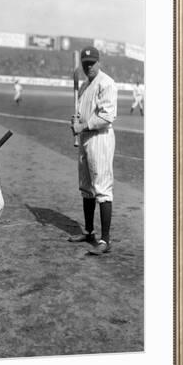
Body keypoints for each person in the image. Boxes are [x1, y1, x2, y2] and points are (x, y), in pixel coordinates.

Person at [69, 46, 118, 255]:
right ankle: (89, 231)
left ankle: (105, 241)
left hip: (100, 139)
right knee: (86, 186)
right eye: (85, 64)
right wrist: (76, 121)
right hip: (85, 139)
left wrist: (83, 125)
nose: (88, 66)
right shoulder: (83, 87)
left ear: (99, 62)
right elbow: (83, 115)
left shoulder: (106, 83)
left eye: (92, 63)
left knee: (102, 188)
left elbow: (107, 117)